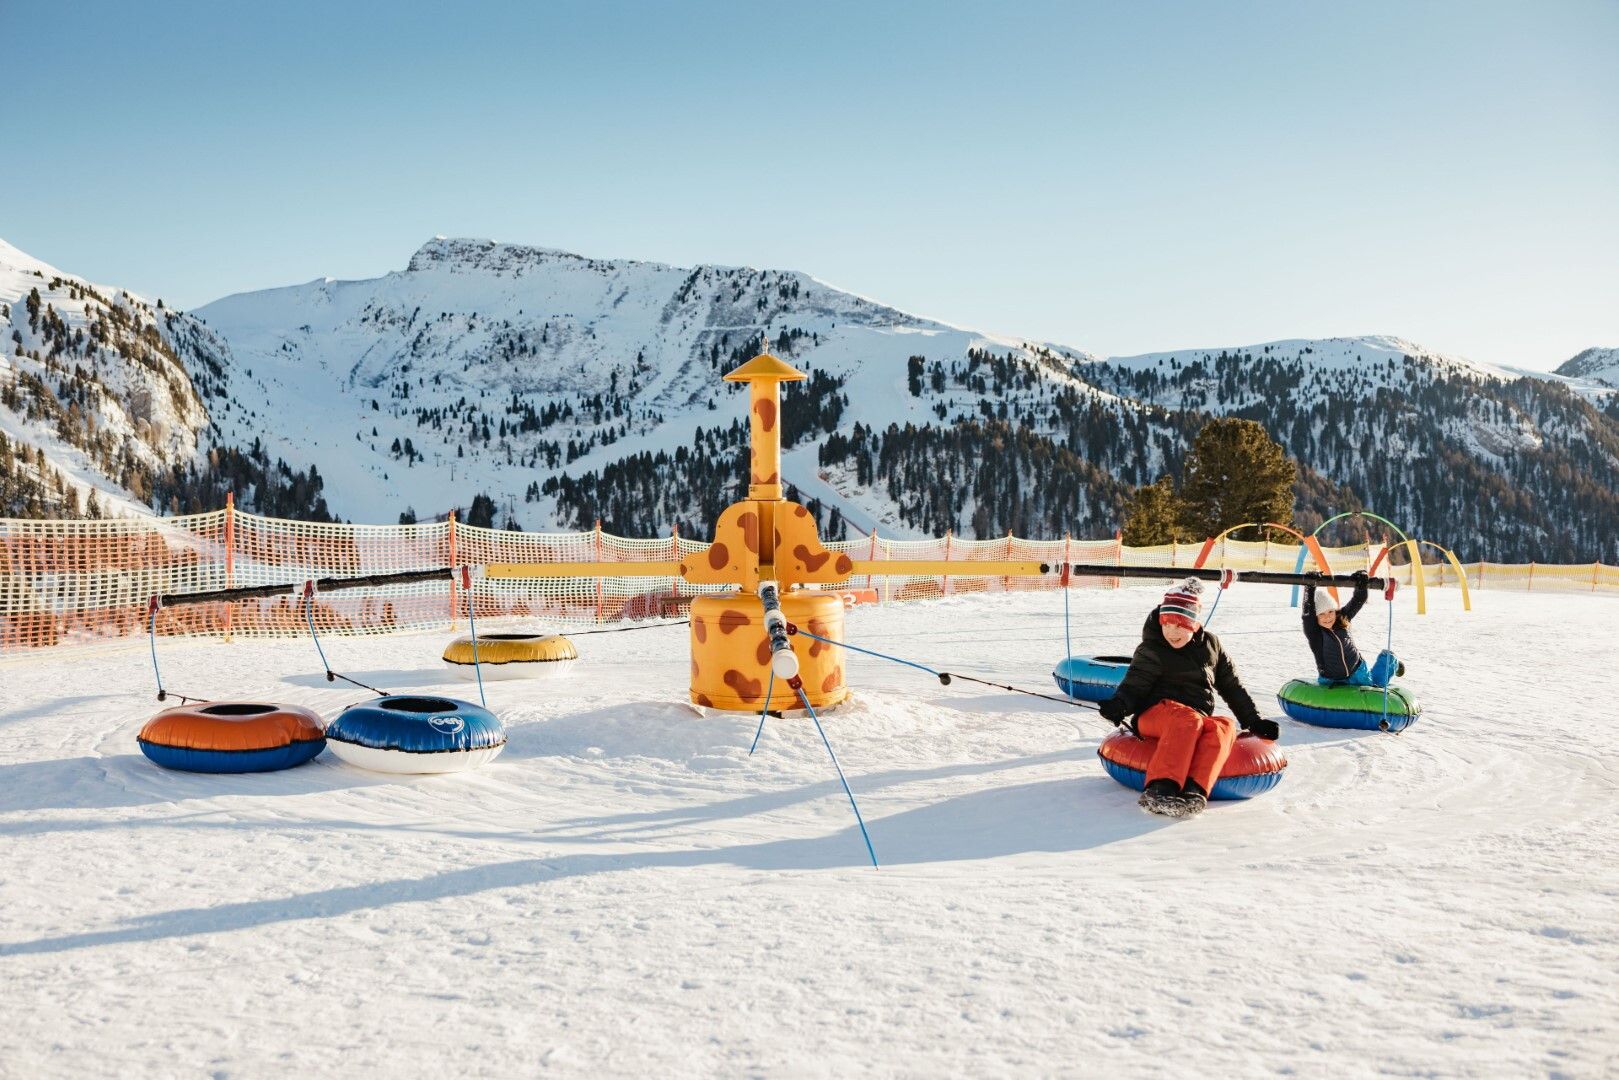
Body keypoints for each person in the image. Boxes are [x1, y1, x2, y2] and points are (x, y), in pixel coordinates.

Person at [1099, 578, 1278, 817]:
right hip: (1154, 715)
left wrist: (1253, 721)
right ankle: (1161, 788)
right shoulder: (1153, 648)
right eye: (1166, 624)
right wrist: (1119, 705)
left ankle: (1194, 790)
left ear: (1193, 623)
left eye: (1179, 625)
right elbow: (1135, 683)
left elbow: (1231, 686)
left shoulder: (1211, 645)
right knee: (1187, 719)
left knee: (1224, 726)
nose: (1171, 632)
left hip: (1194, 718)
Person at [1301, 570, 1404, 687]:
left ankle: (1389, 660)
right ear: (1315, 617)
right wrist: (1309, 587)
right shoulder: (1315, 632)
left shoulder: (1342, 618)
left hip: (1357, 672)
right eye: (1321, 614)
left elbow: (1358, 600)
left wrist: (1362, 583)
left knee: (1377, 686)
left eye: (1330, 611)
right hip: (1330, 679)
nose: (1328, 617)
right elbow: (1307, 614)